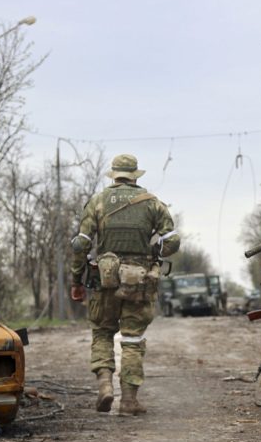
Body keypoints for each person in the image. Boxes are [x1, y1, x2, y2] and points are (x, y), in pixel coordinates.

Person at [70, 154, 180, 416]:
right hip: (138, 282)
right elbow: (173, 241)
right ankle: (129, 401)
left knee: (102, 331)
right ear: (135, 175)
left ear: (114, 175)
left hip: (103, 280)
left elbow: (81, 244)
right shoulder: (152, 203)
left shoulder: (97, 201)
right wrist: (155, 251)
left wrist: (77, 279)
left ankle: (105, 384)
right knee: (132, 339)